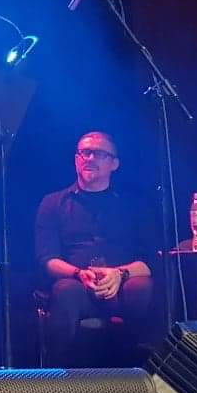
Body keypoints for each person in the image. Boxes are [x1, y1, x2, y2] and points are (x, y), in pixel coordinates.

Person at [33, 130, 157, 362]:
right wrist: (79, 274)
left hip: (122, 283)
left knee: (142, 287)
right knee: (65, 291)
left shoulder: (134, 205)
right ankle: (61, 376)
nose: (89, 158)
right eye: (85, 153)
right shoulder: (52, 203)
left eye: (99, 154)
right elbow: (47, 259)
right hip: (78, 284)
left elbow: (150, 260)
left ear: (114, 164)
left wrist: (119, 274)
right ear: (76, 159)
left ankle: (141, 373)